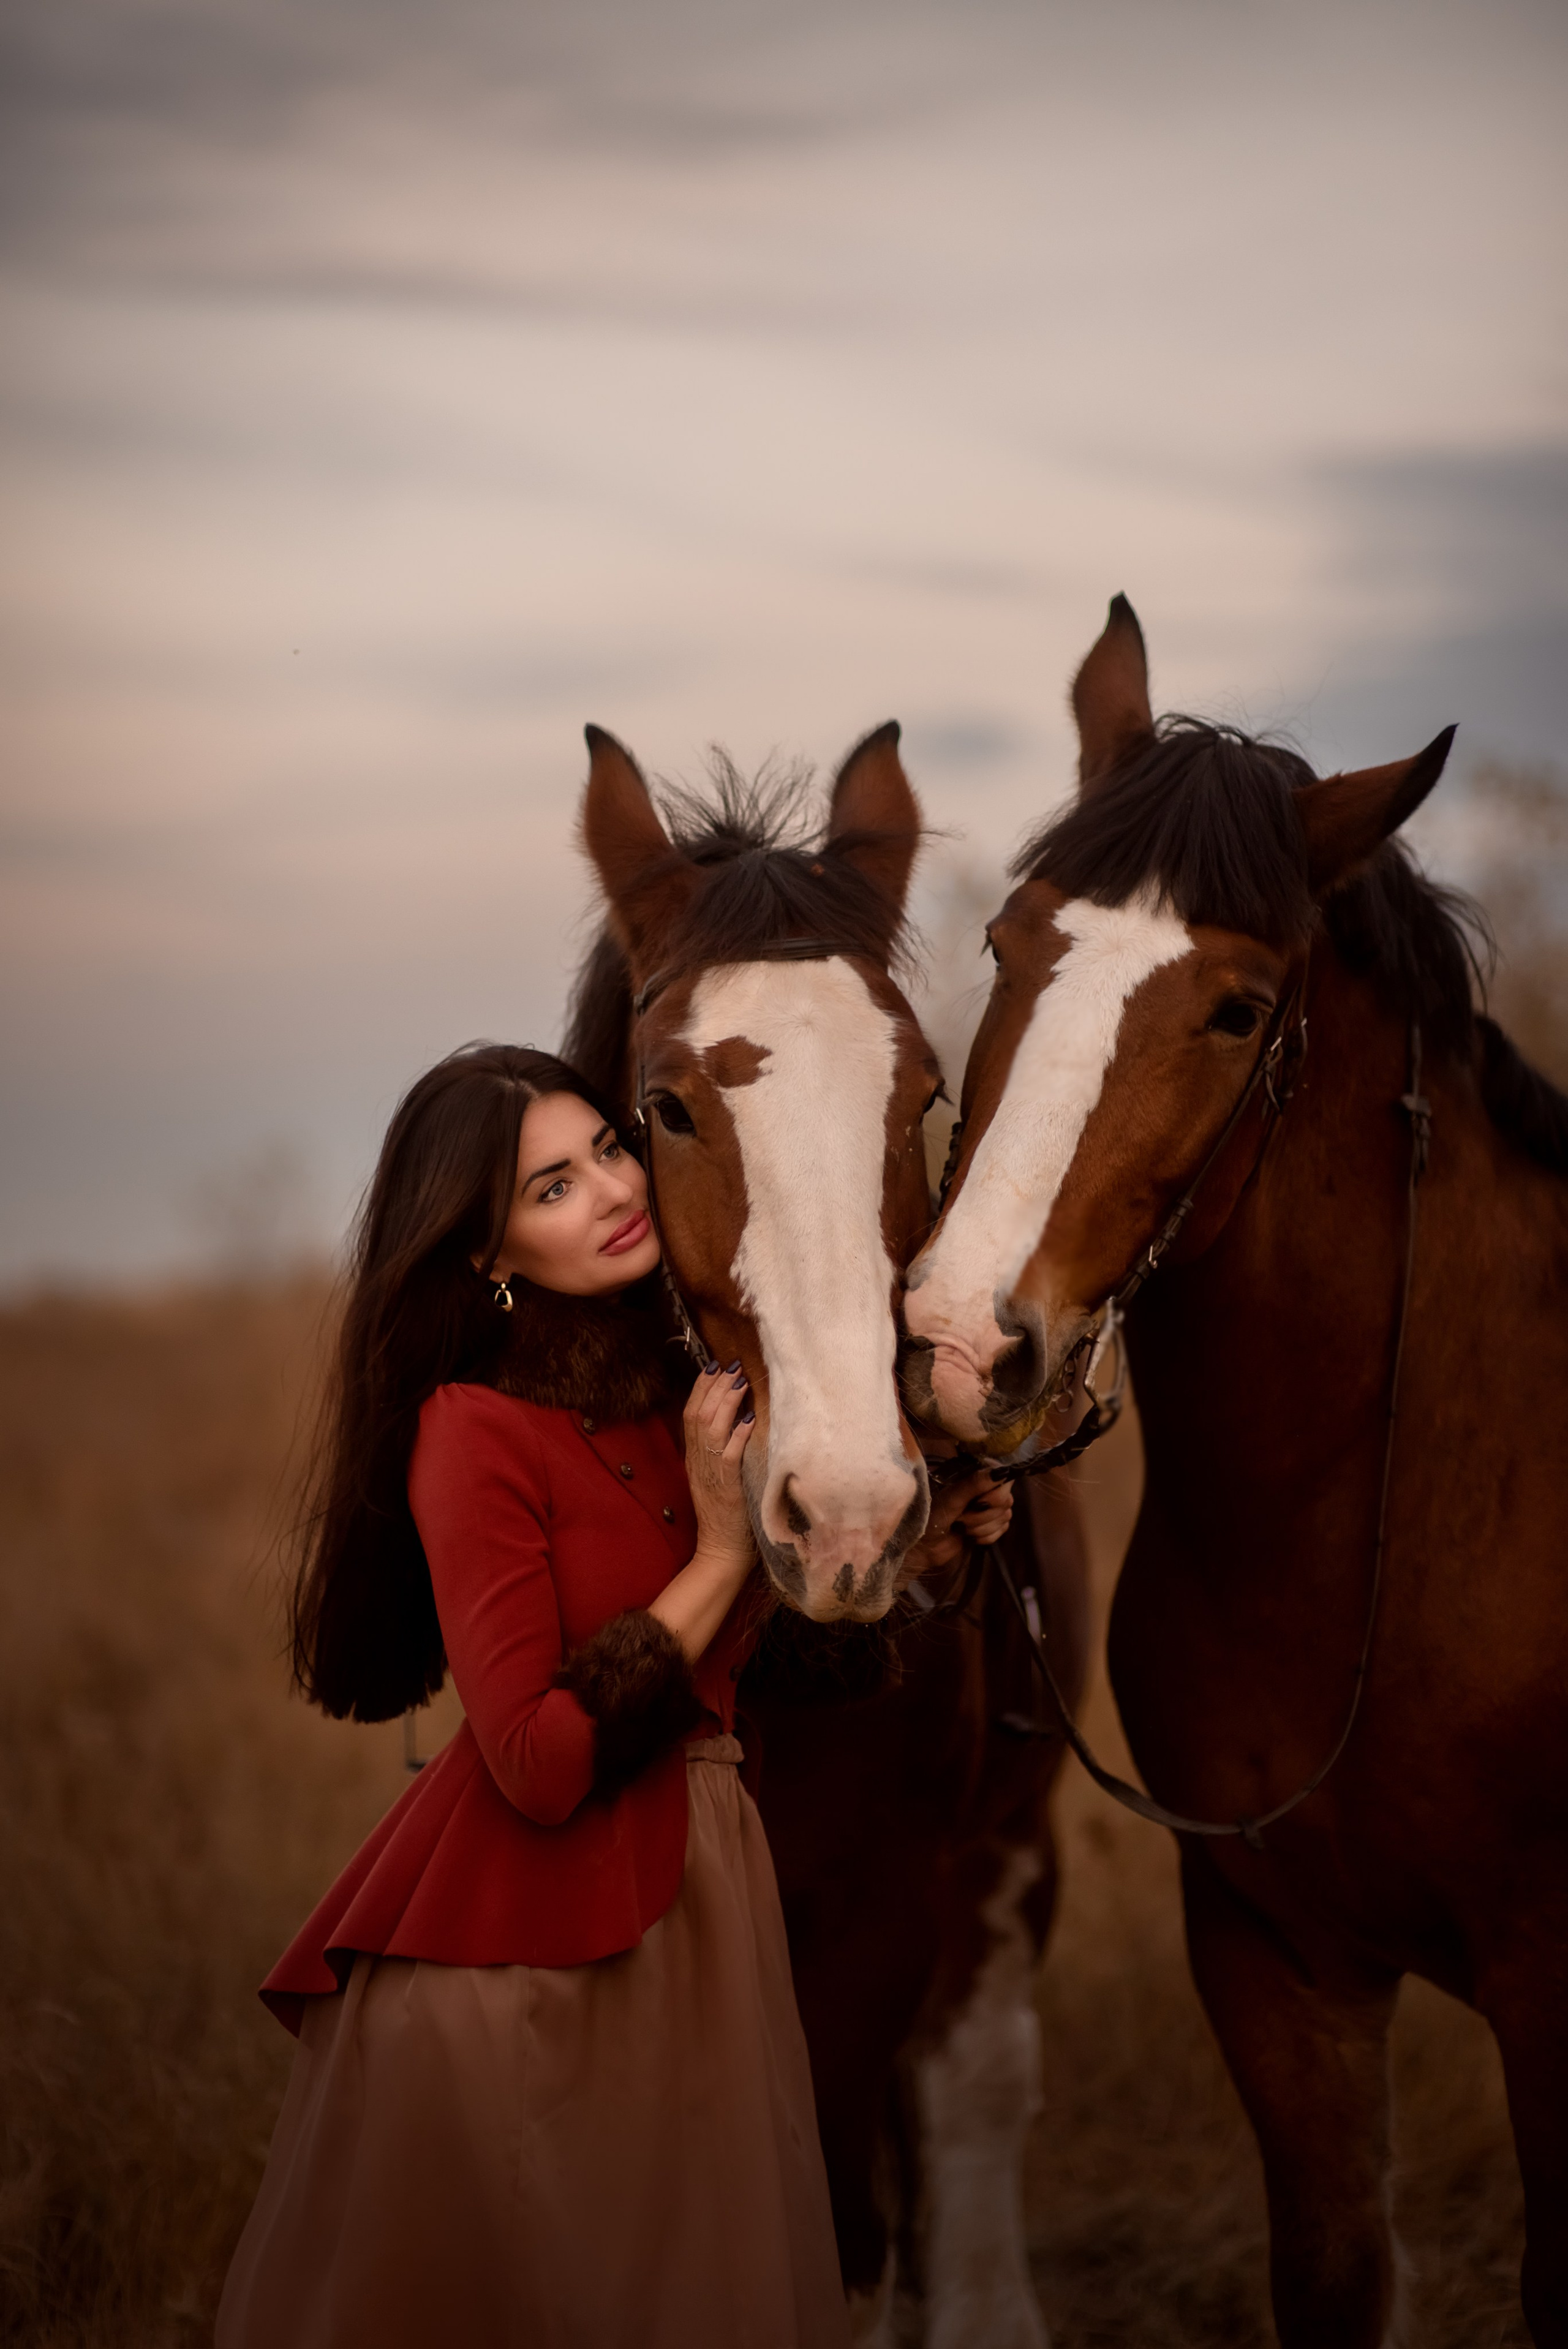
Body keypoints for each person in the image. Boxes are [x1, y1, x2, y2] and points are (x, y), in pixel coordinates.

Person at [217, 1041, 1009, 2349]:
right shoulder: (470, 1430)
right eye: (547, 1189)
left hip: (702, 1904)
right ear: (484, 1255)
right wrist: (715, 1551)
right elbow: (531, 1755)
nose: (605, 1189)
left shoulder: (685, 1404)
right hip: (521, 1958)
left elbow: (736, 1657)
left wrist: (911, 1551)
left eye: (605, 1148)